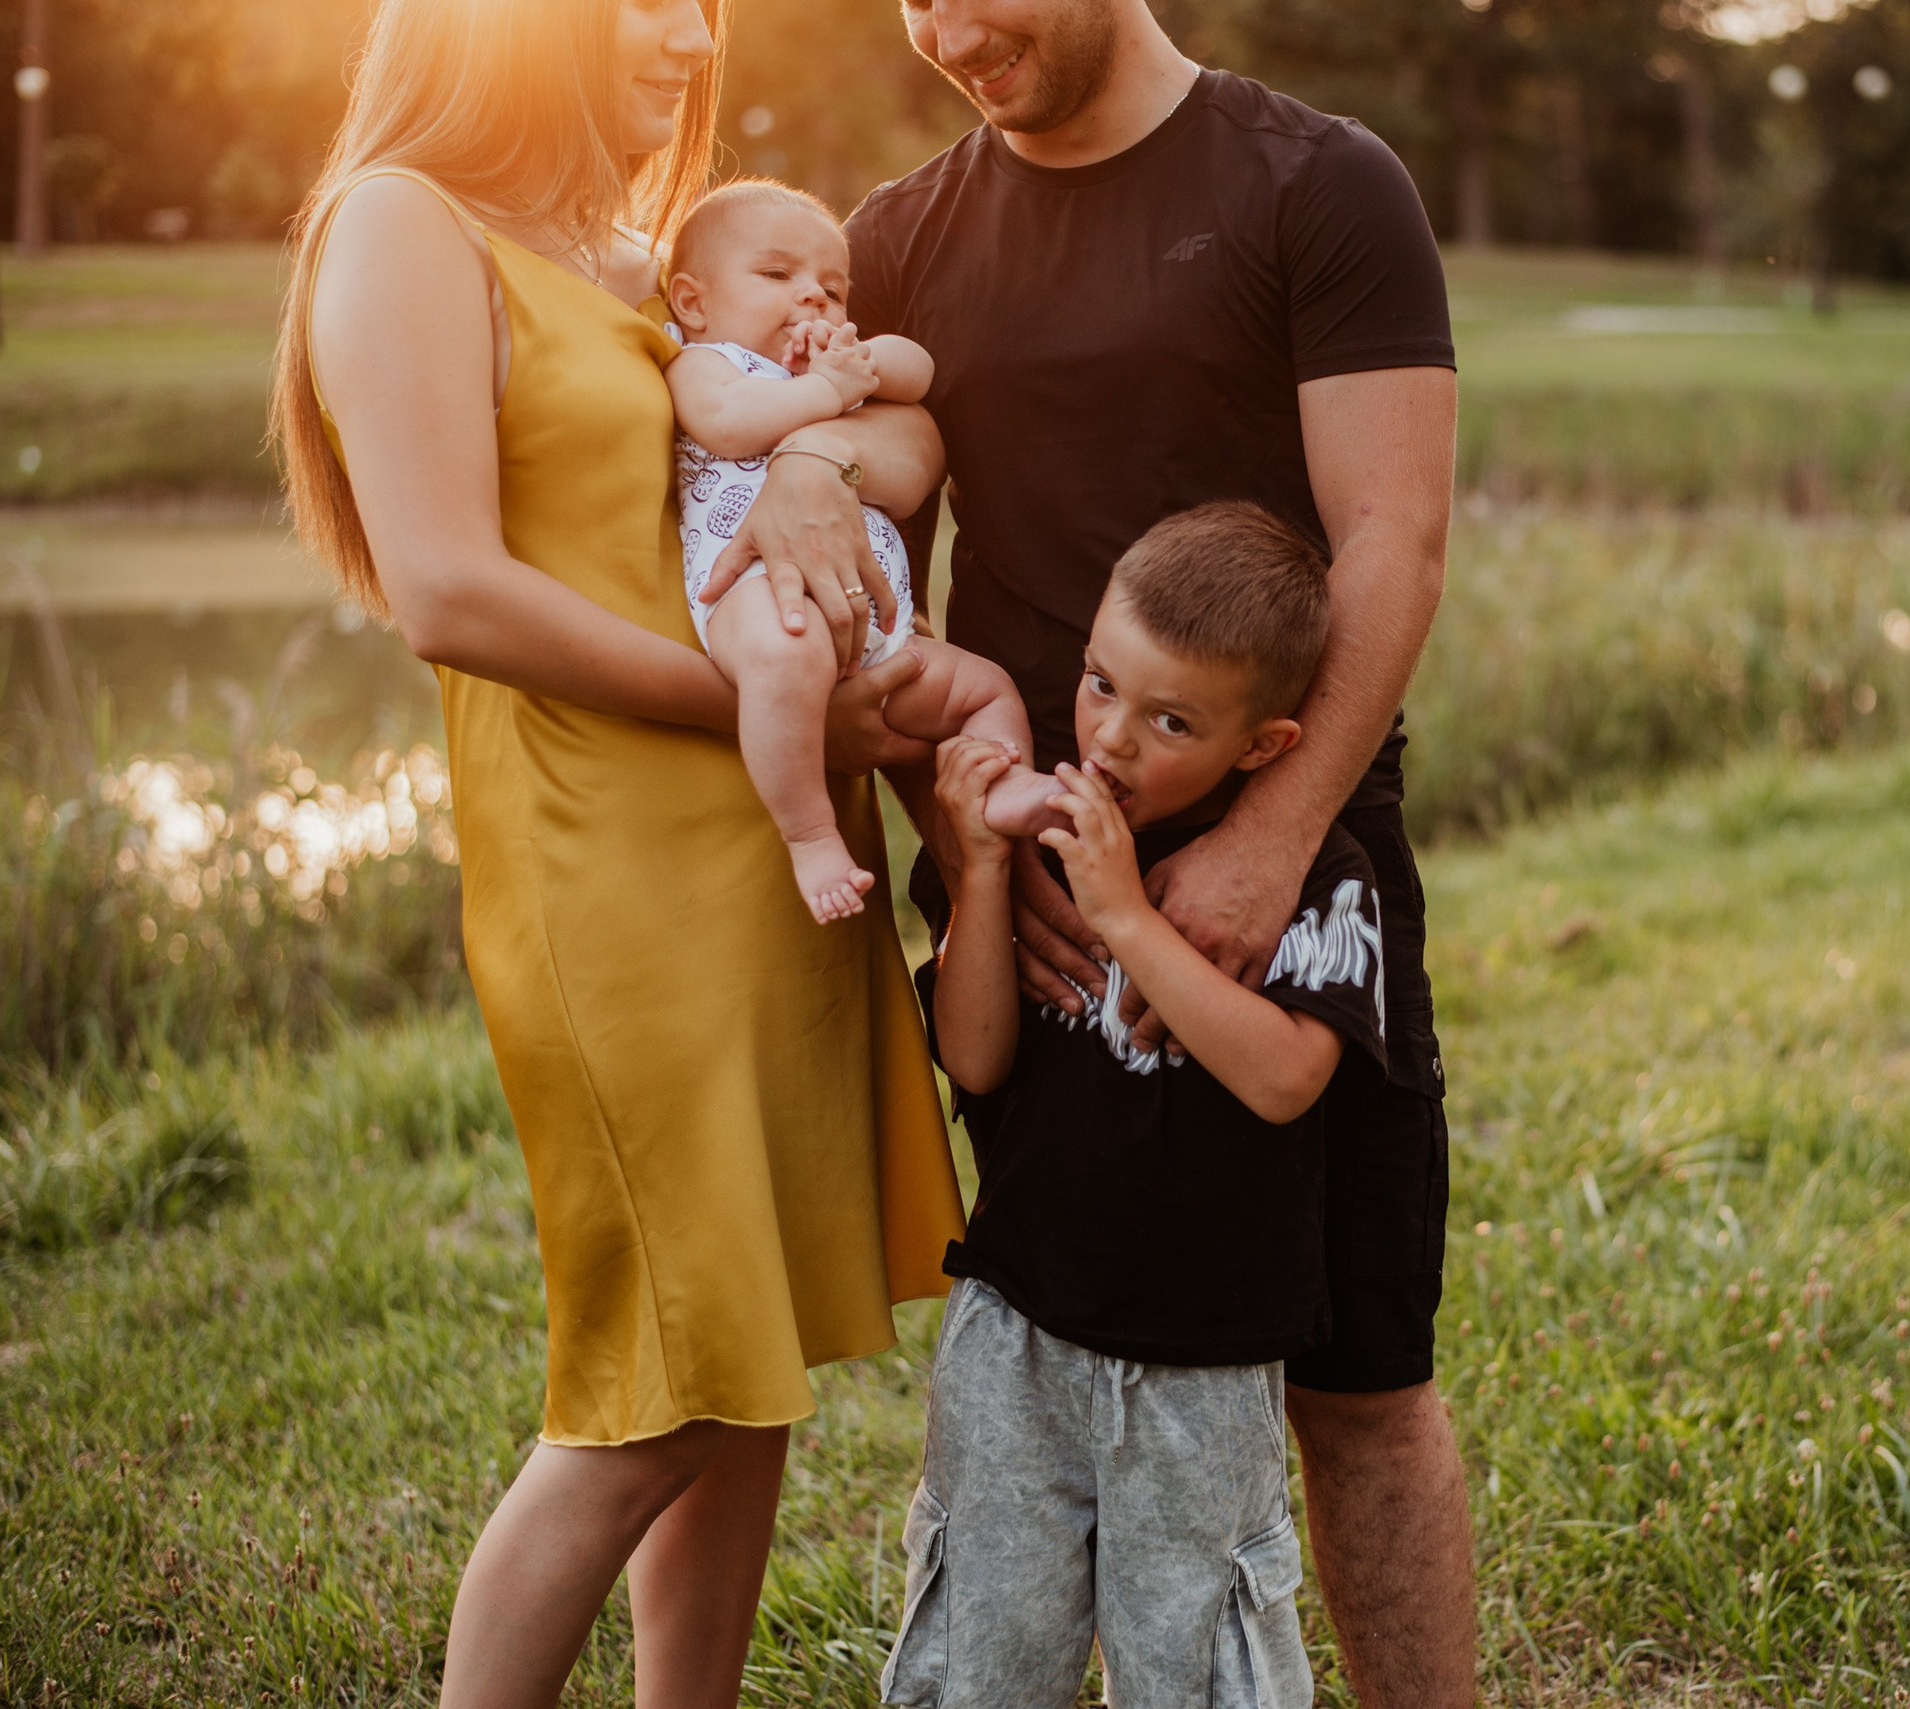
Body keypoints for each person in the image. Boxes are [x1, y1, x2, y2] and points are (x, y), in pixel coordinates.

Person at [269, 1, 966, 1703]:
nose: (681, 33)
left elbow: (869, 440)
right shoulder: (400, 223)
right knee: (654, 1378)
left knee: (749, 1363)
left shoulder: (642, 254)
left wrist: (808, 458)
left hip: (772, 853)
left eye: (700, 4)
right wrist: (756, 708)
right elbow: (447, 590)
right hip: (608, 860)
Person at [825, 0, 1478, 1698]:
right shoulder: (897, 240)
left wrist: (1268, 838)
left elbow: (1394, 542)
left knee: (1359, 1372)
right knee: (1043, 1354)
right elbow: (875, 629)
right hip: (1032, 917)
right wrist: (974, 849)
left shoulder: (1324, 187)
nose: (950, 28)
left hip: (1297, 882)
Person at [894, 503, 1384, 1708]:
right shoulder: (1045, 828)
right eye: (1100, 683)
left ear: (1266, 745)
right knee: (985, 1649)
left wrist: (1125, 918)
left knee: (1196, 1655)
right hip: (1017, 1329)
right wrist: (978, 872)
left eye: (1171, 720)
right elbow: (977, 1057)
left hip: (1201, 1357)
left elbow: (1283, 1077)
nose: (1110, 737)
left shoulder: (1306, 878)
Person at [662, 179, 1060, 921]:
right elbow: (731, 424)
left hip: (878, 624)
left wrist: (863, 357)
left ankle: (1002, 787)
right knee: (786, 660)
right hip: (758, 595)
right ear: (694, 302)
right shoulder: (707, 366)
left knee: (984, 689)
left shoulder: (837, 369)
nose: (813, 297)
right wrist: (827, 392)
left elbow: (919, 373)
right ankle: (811, 834)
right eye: (778, 275)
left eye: (834, 288)